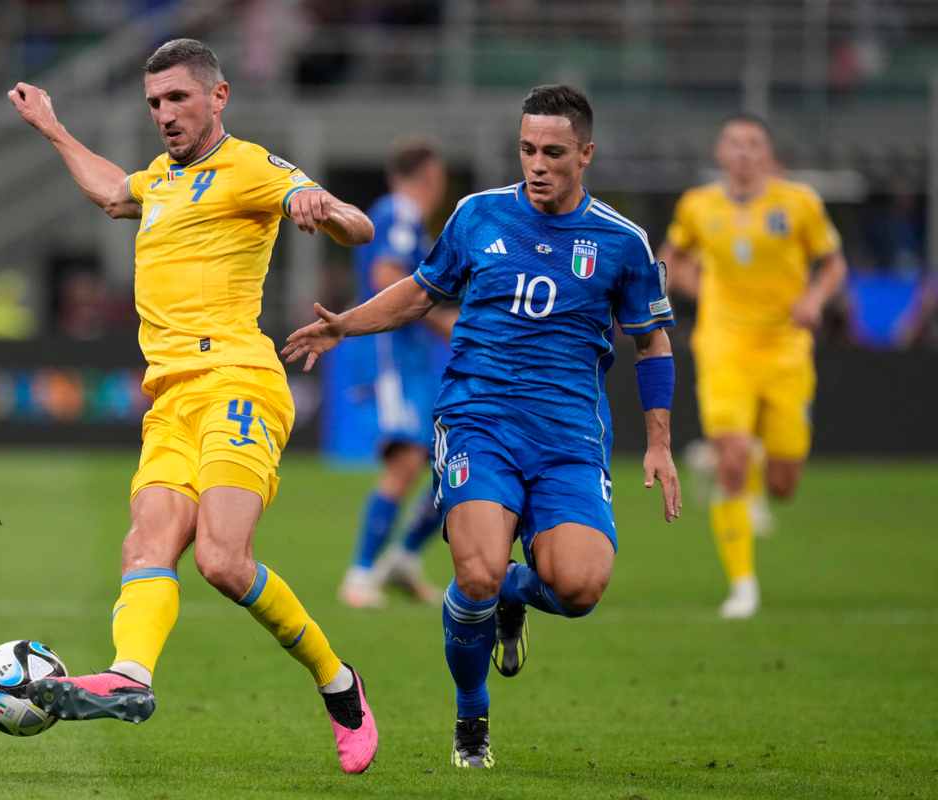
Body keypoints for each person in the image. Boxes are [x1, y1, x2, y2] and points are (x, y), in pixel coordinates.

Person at [6, 38, 379, 773]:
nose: (165, 115)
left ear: (218, 97)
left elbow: (358, 226)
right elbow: (115, 191)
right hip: (170, 397)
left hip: (238, 383)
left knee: (219, 559)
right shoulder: (159, 181)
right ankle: (130, 678)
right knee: (144, 545)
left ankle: (339, 684)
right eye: (154, 103)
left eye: (178, 98)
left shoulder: (249, 166)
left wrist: (320, 205)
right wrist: (52, 126)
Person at [284, 85, 681, 769]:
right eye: (527, 149)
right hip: (478, 420)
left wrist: (661, 443)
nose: (537, 163)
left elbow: (653, 342)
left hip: (569, 440)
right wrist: (347, 324)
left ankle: (515, 600)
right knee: (476, 573)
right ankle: (472, 715)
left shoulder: (622, 243)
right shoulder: (477, 216)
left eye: (553, 152)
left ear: (586, 154)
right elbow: (420, 290)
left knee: (580, 588)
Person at [659, 113, 847, 619]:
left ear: (767, 155)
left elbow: (833, 264)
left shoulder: (799, 203)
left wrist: (814, 300)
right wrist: (701, 291)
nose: (742, 153)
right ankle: (742, 585)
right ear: (721, 155)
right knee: (734, 459)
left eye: (752, 144)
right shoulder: (698, 206)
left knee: (785, 484)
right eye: (734, 144)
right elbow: (670, 258)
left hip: (786, 349)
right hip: (723, 346)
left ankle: (755, 466)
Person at [339, 136, 454, 609]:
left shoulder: (404, 218)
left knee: (444, 467)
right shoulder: (400, 212)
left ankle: (403, 559)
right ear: (431, 176)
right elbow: (386, 277)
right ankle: (360, 575)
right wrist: (438, 318)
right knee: (407, 461)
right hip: (391, 355)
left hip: (410, 359)